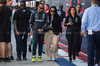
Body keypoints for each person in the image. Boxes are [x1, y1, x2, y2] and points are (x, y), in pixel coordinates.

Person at [81, 0, 100, 66]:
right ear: (99, 2)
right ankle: (97, 63)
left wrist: (83, 30)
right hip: (99, 32)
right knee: (98, 48)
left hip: (90, 32)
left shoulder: (87, 10)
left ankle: (90, 65)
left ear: (91, 2)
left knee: (90, 50)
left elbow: (83, 22)